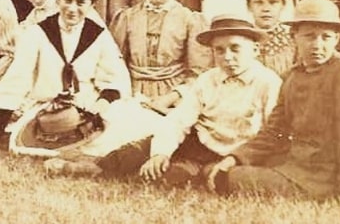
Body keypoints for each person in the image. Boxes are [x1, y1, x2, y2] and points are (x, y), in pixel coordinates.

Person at [50, 12, 282, 185]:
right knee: (141, 149)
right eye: (219, 50)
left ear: (255, 50)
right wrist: (160, 151)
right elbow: (179, 120)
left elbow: (272, 133)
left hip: (236, 150)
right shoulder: (208, 80)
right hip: (199, 140)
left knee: (175, 177)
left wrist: (240, 157)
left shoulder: (267, 83)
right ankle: (95, 167)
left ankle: (179, 171)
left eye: (235, 48)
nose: (227, 57)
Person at [207, 0, 340, 203]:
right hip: (296, 163)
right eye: (309, 36)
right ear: (294, 36)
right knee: (224, 168)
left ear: (337, 39)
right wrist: (236, 157)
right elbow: (273, 133)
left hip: (325, 175)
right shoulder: (291, 76)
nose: (317, 45)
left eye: (326, 37)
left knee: (228, 178)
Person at [0, 0, 130, 148]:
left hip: (88, 103)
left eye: (80, 2)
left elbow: (114, 77)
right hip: (48, 106)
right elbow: (16, 80)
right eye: (67, 0)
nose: (72, 9)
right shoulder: (37, 33)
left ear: (92, 4)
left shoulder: (97, 34)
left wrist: (102, 103)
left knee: (113, 135)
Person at [110, 0, 209, 106]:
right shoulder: (127, 18)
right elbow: (114, 65)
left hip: (175, 96)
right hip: (132, 94)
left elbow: (199, 73)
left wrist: (171, 98)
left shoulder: (190, 20)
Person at [233, 0, 299, 76]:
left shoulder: (292, 39)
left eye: (273, 2)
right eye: (258, 2)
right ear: (249, 6)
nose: (266, 9)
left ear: (283, 5)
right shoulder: (242, 39)